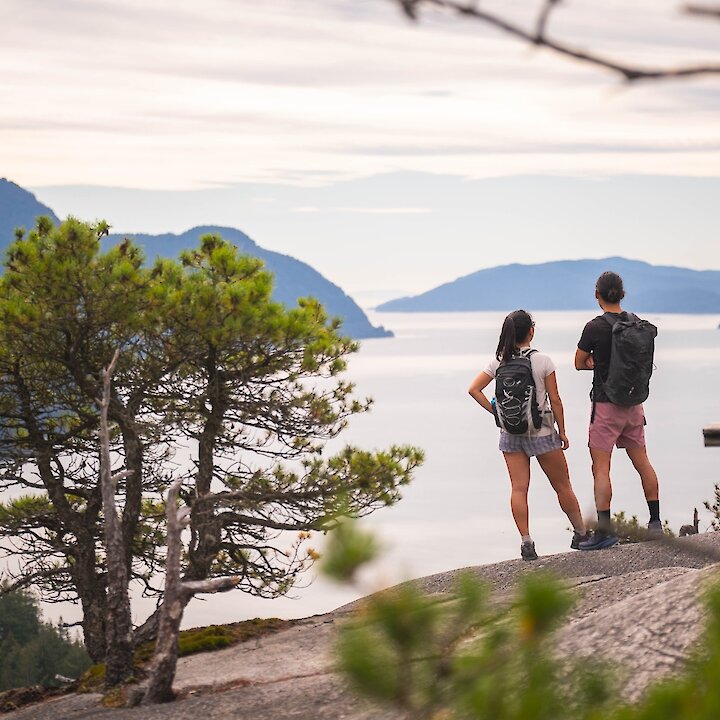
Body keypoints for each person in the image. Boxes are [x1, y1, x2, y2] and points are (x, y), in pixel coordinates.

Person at [469, 309, 588, 561]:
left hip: (510, 434)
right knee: (562, 486)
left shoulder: (498, 362)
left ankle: (526, 542)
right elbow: (555, 399)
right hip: (542, 432)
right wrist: (563, 431)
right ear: (531, 331)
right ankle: (581, 534)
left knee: (519, 489)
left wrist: (497, 413)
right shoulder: (543, 361)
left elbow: (474, 389)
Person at [574, 271, 661, 550]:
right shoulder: (635, 323)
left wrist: (596, 363)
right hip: (634, 404)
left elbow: (578, 362)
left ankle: (605, 532)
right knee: (643, 463)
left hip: (605, 405)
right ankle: (656, 523)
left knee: (601, 467)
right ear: (621, 294)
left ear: (597, 295)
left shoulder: (594, 327)